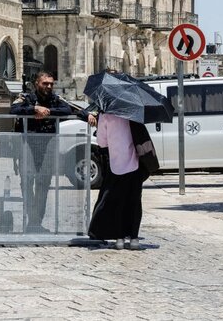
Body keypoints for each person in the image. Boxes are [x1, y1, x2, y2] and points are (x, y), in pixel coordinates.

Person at [10, 70, 73, 233]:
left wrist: (49, 112)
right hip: (28, 142)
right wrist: (34, 109)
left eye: (51, 84)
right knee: (27, 180)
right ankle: (32, 219)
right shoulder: (27, 97)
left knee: (43, 182)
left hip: (48, 143)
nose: (49, 86)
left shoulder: (55, 99)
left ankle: (36, 223)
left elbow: (67, 110)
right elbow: (14, 109)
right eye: (45, 83)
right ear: (37, 83)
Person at [87, 112, 147, 249]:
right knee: (134, 202)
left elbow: (101, 142)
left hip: (116, 165)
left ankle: (119, 239)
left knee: (118, 202)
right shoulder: (133, 113)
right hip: (134, 164)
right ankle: (134, 239)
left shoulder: (105, 115)